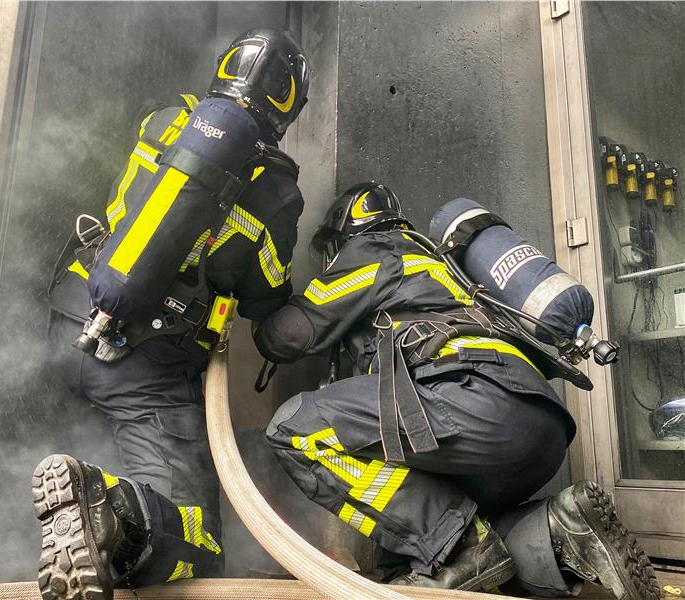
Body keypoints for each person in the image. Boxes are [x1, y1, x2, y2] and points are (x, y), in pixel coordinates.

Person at [254, 181, 661, 598]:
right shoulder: (442, 264)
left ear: (347, 232)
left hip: (472, 398)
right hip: (539, 426)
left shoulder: (375, 249)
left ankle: (460, 546)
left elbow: (288, 336)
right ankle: (561, 526)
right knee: (416, 558)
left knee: (295, 429)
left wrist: (255, 298)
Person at [33, 29, 309, 600]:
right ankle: (109, 508)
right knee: (198, 537)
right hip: (143, 370)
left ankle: (72, 518)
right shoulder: (277, 191)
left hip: (67, 320)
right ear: (288, 105)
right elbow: (264, 298)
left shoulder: (163, 120)